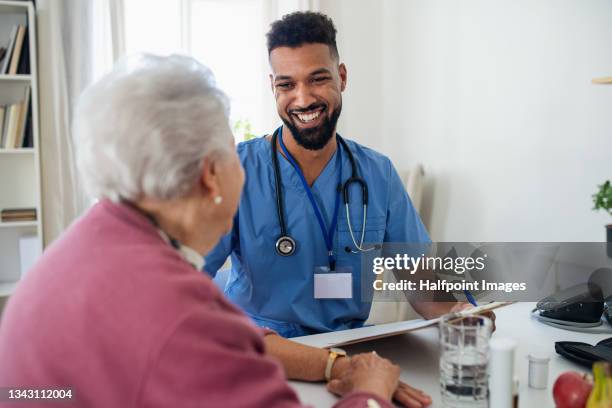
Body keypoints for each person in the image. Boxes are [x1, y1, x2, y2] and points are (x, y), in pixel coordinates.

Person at [0, 55, 404, 407]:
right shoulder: (182, 316)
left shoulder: (86, 241)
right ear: (212, 174)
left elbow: (427, 271)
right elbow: (195, 322)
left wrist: (464, 301)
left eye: (318, 78)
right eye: (233, 152)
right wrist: (369, 393)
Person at [205, 11, 483, 337]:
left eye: (318, 79)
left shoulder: (377, 174)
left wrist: (457, 313)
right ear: (273, 88)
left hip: (348, 349)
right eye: (287, 84)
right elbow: (184, 273)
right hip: (261, 353)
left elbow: (421, 281)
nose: (303, 98)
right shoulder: (236, 171)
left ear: (342, 77)